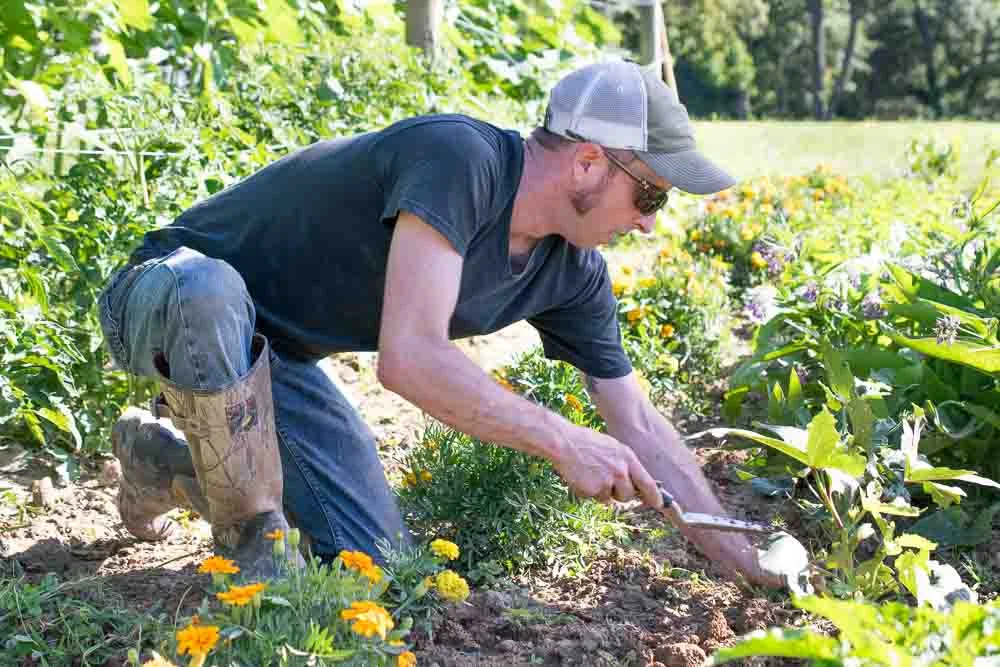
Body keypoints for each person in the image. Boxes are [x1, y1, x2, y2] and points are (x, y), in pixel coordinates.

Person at [99, 60, 783, 586]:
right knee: (216, 290)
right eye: (650, 193)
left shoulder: (571, 271)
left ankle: (162, 460)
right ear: (586, 162)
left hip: (274, 356)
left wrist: (745, 558)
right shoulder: (461, 160)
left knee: (377, 560)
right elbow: (410, 357)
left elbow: (638, 423)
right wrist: (563, 441)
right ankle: (254, 568)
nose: (649, 220)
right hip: (170, 292)